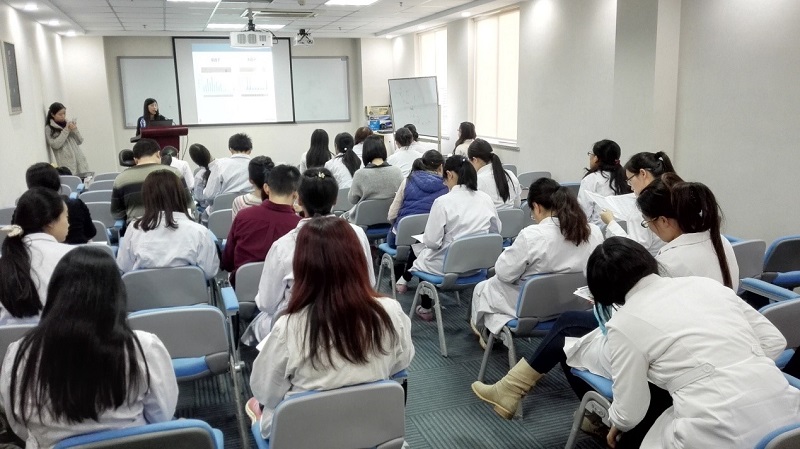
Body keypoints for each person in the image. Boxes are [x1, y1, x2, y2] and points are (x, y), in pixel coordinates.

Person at [472, 176, 740, 439]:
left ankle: (596, 414)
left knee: (569, 343)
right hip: (704, 340)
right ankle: (515, 390)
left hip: (662, 347)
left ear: (664, 221)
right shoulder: (720, 243)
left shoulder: (673, 260)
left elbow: (644, 315)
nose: (650, 230)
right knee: (569, 322)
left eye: (647, 223)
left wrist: (610, 305)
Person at [586, 238, 799, 449]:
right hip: (789, 418)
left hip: (718, 429)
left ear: (603, 292)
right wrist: (739, 362)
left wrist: (617, 422)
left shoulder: (623, 323)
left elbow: (630, 412)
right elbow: (774, 340)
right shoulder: (707, 285)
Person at [247, 216, 414, 439]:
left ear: (302, 265)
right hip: (371, 429)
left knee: (257, 405)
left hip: (305, 436)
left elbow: (265, 392)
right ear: (358, 259)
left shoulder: (289, 327)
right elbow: (401, 363)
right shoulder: (390, 312)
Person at [0, 246, 178, 448]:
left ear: (55, 293)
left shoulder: (19, 353)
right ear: (117, 294)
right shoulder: (143, 347)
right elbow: (162, 416)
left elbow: (18, 424)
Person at [245, 168, 375, 344]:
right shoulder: (357, 234)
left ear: (298, 199)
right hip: (351, 324)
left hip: (301, 334)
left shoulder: (283, 246)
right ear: (335, 199)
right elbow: (370, 283)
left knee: (260, 325)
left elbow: (267, 304)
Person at [470, 178, 603, 340]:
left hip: (535, 309)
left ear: (537, 207)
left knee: (483, 288)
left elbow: (504, 273)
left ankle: (490, 336)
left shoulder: (532, 235)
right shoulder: (593, 231)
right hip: (578, 305)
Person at [409, 155, 500, 320]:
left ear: (450, 175)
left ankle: (426, 307)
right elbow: (496, 231)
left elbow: (432, 242)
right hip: (478, 267)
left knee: (420, 250)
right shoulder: (485, 198)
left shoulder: (442, 202)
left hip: (447, 268)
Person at [117, 170, 219, 279]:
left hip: (143, 290)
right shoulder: (199, 232)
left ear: (146, 198)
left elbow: (124, 268)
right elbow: (210, 272)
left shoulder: (134, 229)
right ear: (180, 195)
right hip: (188, 290)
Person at [0, 188, 73, 325]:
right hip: (59, 336)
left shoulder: (7, 258)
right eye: (67, 217)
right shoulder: (72, 256)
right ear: (50, 222)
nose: (68, 224)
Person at [222, 165, 302, 285]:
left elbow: (227, 262)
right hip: (283, 292)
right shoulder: (300, 226)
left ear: (266, 188)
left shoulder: (243, 216)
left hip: (242, 289)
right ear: (295, 195)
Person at [600, 151, 676, 255]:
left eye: (630, 180)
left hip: (652, 261)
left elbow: (632, 249)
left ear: (643, 173)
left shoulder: (643, 206)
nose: (631, 187)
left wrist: (611, 223)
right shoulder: (674, 193)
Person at [111, 138, 190, 230]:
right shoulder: (174, 173)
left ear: (135, 160)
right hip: (172, 229)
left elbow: (117, 214)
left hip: (137, 231)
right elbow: (188, 207)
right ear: (158, 154)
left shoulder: (120, 179)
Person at [386, 150, 448, 249]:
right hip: (432, 241)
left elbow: (391, 215)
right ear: (441, 167)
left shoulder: (408, 181)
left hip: (401, 240)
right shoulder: (447, 186)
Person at [25, 162, 96, 244]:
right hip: (78, 250)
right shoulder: (75, 204)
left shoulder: (25, 210)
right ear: (57, 182)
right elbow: (91, 232)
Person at [345, 135, 403, 221]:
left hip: (364, 221)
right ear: (384, 150)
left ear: (365, 152)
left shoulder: (360, 174)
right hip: (391, 220)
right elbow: (402, 196)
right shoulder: (397, 172)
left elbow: (352, 199)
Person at [577, 139, 631, 227]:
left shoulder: (591, 179)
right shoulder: (626, 177)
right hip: (625, 230)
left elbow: (583, 216)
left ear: (596, 158)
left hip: (599, 231)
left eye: (591, 154)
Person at [202, 133, 254, 211]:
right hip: (251, 213)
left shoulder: (220, 165)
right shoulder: (258, 166)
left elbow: (209, 196)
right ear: (250, 150)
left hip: (220, 214)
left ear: (230, 149)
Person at [467, 139, 522, 209]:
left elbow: (471, 209)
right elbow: (517, 205)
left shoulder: (477, 181)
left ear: (475, 160)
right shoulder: (510, 175)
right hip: (512, 216)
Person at [44, 102, 89, 175]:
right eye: (60, 114)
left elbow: (80, 141)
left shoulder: (68, 123)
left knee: (84, 180)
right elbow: (55, 145)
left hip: (79, 161)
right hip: (66, 164)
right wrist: (66, 130)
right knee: (71, 180)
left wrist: (75, 129)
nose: (63, 116)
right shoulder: (49, 128)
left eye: (64, 113)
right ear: (52, 114)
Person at [189, 143, 214, 215]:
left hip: (204, 209)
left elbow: (198, 198)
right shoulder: (219, 169)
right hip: (219, 207)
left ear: (195, 161)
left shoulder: (199, 176)